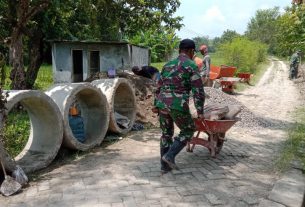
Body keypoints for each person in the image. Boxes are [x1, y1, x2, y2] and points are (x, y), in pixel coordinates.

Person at [154, 39, 205, 174]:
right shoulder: (191, 66)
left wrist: (155, 104)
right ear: (191, 51)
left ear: (179, 50)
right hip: (177, 104)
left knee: (166, 134)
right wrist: (200, 111)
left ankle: (164, 167)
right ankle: (169, 156)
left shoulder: (167, 65)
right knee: (188, 129)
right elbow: (198, 91)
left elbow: (158, 86)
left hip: (162, 103)